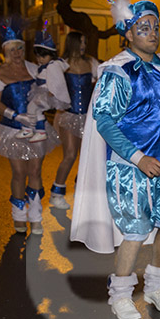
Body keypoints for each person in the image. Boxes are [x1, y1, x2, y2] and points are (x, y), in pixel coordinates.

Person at [70, 0, 160, 319]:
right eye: (144, 27)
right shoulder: (118, 72)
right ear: (128, 33)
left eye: (155, 27)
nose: (152, 33)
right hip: (129, 167)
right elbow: (104, 121)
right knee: (134, 231)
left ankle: (157, 285)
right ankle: (119, 293)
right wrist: (137, 158)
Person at [0, 16, 61, 234]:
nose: (17, 53)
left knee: (35, 170)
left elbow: (49, 90)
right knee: (19, 173)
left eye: (20, 48)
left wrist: (48, 101)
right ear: (5, 50)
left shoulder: (34, 68)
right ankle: (18, 213)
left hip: (38, 127)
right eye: (13, 49)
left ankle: (35, 214)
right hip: (13, 128)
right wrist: (16, 116)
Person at [49, 31, 99, 210]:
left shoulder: (91, 63)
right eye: (81, 42)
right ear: (73, 43)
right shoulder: (61, 65)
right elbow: (51, 88)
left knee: (87, 156)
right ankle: (56, 193)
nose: (84, 45)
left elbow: (101, 86)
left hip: (88, 116)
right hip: (69, 115)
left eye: (85, 41)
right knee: (70, 155)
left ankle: (81, 190)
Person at [15, 24, 70, 143]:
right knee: (37, 111)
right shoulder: (44, 66)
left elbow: (57, 81)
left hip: (46, 94)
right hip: (41, 93)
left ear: (51, 55)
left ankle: (29, 128)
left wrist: (52, 91)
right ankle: (40, 131)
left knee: (31, 108)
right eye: (38, 56)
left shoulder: (52, 66)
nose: (40, 59)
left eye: (43, 56)